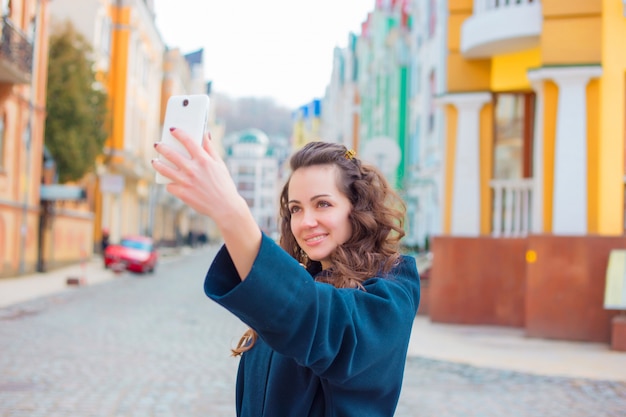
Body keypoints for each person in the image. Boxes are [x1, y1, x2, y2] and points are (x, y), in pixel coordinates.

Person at [151, 128, 420, 417]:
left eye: (323, 204)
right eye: (296, 209)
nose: (306, 222)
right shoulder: (301, 280)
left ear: (357, 207)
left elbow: (318, 320)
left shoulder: (393, 287)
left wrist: (230, 212)